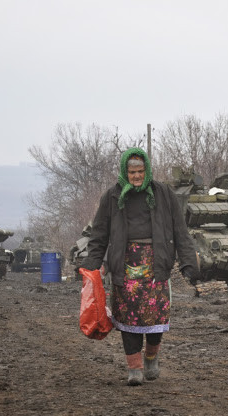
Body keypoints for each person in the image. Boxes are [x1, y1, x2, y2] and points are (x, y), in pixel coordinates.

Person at [79, 147, 200, 386]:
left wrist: (188, 263)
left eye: (141, 171)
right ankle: (134, 369)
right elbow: (99, 235)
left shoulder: (163, 194)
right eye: (132, 172)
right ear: (125, 171)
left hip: (156, 264)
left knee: (155, 319)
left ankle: (151, 357)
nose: (137, 176)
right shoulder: (112, 197)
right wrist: (90, 267)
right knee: (128, 320)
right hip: (125, 267)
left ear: (148, 170)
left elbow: (180, 231)